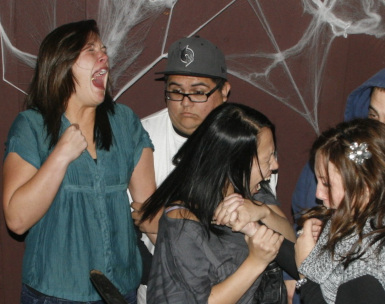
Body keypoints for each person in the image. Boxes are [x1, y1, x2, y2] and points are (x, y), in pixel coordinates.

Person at [2, 20, 155, 303]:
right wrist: (61, 154)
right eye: (90, 49)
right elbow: (17, 220)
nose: (104, 56)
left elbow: (149, 210)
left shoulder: (124, 123)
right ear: (61, 65)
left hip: (121, 293)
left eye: (103, 49)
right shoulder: (31, 126)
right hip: (55, 295)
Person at [131, 36, 291, 303]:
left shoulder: (248, 139)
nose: (185, 101)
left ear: (224, 90)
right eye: (175, 90)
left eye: (198, 91)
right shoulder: (142, 136)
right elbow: (147, 221)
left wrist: (258, 215)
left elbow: (283, 235)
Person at [140, 102, 298, 303]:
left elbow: (292, 245)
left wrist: (263, 212)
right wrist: (256, 261)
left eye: (274, 155)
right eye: (267, 159)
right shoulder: (183, 222)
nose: (275, 166)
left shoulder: (254, 192)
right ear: (234, 163)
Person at [289, 69, 385, 303]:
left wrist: (304, 274)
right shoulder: (354, 214)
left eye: (327, 185)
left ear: (364, 190)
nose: (318, 193)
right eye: (373, 116)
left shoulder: (368, 268)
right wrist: (258, 226)